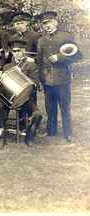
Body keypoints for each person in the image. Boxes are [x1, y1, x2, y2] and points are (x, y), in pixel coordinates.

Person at [37, 11, 82, 143]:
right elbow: (39, 61)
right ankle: (51, 131)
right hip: (47, 79)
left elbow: (77, 55)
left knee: (65, 106)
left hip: (62, 78)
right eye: (44, 24)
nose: (47, 26)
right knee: (50, 107)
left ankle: (68, 133)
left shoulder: (65, 36)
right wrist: (40, 79)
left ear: (55, 22)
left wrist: (60, 57)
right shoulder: (41, 40)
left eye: (49, 22)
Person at [0, 39, 43, 147]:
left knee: (37, 114)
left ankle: (30, 134)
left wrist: (22, 76)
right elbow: (2, 85)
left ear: (24, 51)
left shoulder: (31, 66)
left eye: (19, 51)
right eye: (14, 51)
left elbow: (36, 83)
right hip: (8, 98)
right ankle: (1, 133)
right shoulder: (7, 66)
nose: (16, 53)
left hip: (25, 98)